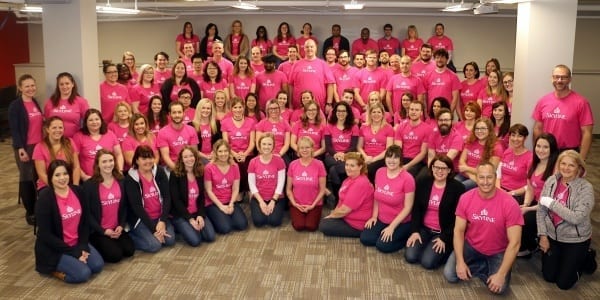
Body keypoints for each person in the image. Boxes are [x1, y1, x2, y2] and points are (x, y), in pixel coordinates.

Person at [443, 162, 523, 294]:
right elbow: (458, 231)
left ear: (495, 177)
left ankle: (486, 267)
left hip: (498, 251)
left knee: (500, 289)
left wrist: (501, 274)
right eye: (481, 177)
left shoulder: (510, 203)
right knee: (450, 275)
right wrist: (460, 262)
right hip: (471, 245)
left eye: (489, 177)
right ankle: (483, 267)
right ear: (476, 177)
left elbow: (515, 243)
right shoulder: (466, 198)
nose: (485, 182)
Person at [35, 159, 104, 283]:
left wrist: (82, 245)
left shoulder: (78, 191)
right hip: (55, 248)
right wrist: (73, 252)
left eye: (65, 174)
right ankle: (54, 271)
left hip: (77, 243)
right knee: (83, 274)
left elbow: (85, 222)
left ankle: (75, 260)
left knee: (97, 266)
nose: (62, 178)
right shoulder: (45, 200)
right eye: (57, 175)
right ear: (50, 177)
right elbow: (46, 235)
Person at [537, 150, 594, 290]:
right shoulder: (551, 181)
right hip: (553, 236)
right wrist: (543, 235)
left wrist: (552, 203)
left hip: (575, 240)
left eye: (571, 165)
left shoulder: (585, 188)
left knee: (563, 284)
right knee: (549, 277)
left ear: (579, 168)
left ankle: (587, 256)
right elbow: (541, 210)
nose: (566, 168)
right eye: (563, 163)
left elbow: (577, 217)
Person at [405, 155, 465, 269]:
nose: (439, 171)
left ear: (449, 170)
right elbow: (416, 209)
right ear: (431, 168)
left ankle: (448, 249)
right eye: (436, 167)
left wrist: (445, 238)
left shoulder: (458, 188)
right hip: (424, 228)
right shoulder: (423, 182)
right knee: (410, 256)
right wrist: (415, 231)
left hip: (443, 232)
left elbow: (458, 219)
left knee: (427, 262)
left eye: (443, 168)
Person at [532, 64, 594, 160]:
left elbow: (587, 133)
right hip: (547, 151)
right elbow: (537, 128)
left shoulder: (581, 102)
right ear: (552, 78)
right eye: (556, 77)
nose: (559, 80)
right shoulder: (543, 101)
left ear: (569, 79)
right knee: (546, 175)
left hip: (569, 153)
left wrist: (581, 159)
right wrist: (538, 151)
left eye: (564, 77)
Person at [84, 149, 135, 263]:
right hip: (99, 231)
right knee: (115, 256)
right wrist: (103, 231)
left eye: (111, 160)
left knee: (129, 251)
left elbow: (125, 206)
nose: (108, 164)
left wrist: (121, 225)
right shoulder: (90, 185)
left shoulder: (121, 180)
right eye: (104, 161)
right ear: (98, 164)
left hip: (117, 228)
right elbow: (87, 213)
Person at [360, 145, 414, 252]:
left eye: (395, 157)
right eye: (389, 157)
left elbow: (408, 208)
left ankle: (406, 237)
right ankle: (383, 233)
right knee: (366, 239)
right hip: (382, 219)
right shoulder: (380, 172)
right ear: (385, 159)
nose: (392, 160)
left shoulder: (408, 178)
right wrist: (374, 217)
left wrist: (392, 227)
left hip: (400, 222)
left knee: (383, 246)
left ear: (400, 160)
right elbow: (376, 196)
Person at [125, 145, 175, 252]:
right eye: (144, 158)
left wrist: (162, 221)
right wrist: (154, 229)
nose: (148, 161)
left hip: (159, 216)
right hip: (141, 219)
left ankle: (155, 231)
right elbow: (137, 207)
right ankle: (130, 237)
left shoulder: (160, 171)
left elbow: (167, 197)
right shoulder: (131, 178)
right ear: (137, 160)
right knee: (154, 245)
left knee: (170, 241)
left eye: (150, 157)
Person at [8, 74, 43, 225]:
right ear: (20, 88)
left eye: (32, 85)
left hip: (39, 145)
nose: (30, 88)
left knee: (37, 177)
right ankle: (31, 212)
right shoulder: (15, 106)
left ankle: (39, 207)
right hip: (25, 147)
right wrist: (20, 148)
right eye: (27, 86)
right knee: (27, 179)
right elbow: (15, 130)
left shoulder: (35, 102)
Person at [497, 124, 534, 256]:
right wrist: (498, 189)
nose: (515, 139)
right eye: (513, 135)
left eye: (519, 135)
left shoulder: (530, 157)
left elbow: (529, 185)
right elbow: (498, 174)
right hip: (500, 189)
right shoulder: (507, 151)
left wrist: (510, 193)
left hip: (517, 193)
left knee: (502, 209)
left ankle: (509, 243)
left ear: (525, 138)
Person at [170, 146, 216, 247]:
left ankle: (192, 226)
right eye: (185, 157)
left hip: (196, 212)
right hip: (181, 214)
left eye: (191, 156)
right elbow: (176, 200)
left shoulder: (199, 172)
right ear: (181, 159)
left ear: (195, 157)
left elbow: (201, 197)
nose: (189, 159)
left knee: (210, 237)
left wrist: (200, 215)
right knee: (195, 241)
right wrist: (190, 219)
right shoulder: (175, 174)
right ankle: (178, 227)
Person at [319, 152, 374, 237]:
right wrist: (333, 214)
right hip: (347, 217)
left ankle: (360, 233)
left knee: (324, 225)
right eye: (347, 165)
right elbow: (341, 201)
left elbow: (345, 210)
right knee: (326, 221)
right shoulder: (349, 179)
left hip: (357, 224)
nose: (348, 168)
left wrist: (332, 215)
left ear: (360, 167)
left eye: (352, 166)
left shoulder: (360, 183)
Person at [522, 134, 559, 257]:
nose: (540, 150)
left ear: (552, 149)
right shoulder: (533, 163)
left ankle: (530, 246)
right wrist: (526, 204)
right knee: (513, 208)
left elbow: (550, 201)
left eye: (545, 147)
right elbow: (530, 189)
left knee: (525, 219)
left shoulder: (555, 170)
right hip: (535, 202)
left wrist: (527, 209)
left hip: (549, 208)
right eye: (538, 146)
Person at [204, 139, 248, 234]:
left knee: (242, 225)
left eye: (225, 151)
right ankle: (213, 216)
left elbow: (235, 188)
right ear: (215, 152)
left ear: (229, 152)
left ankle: (224, 216)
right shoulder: (209, 168)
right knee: (225, 228)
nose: (223, 154)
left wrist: (231, 203)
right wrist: (221, 207)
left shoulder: (234, 166)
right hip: (214, 203)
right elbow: (208, 190)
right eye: (220, 151)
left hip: (229, 200)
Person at [286, 137, 326, 231]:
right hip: (297, 203)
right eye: (302, 148)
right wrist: (294, 203)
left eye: (307, 147)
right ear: (298, 150)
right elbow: (288, 189)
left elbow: (322, 190)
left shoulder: (319, 164)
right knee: (299, 226)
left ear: (312, 148)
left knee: (311, 227)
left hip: (314, 203)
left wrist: (313, 205)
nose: (304, 150)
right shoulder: (293, 164)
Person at [73, 109, 124, 182]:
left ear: (101, 121)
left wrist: (119, 171)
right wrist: (83, 176)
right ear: (85, 122)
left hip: (110, 177)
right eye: (90, 120)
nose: (94, 122)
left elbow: (119, 154)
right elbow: (74, 161)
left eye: (97, 119)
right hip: (89, 179)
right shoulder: (78, 136)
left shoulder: (110, 134)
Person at [248, 134, 287, 227]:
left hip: (277, 198)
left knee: (274, 222)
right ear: (259, 146)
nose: (266, 147)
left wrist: (273, 201)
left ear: (273, 146)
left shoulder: (279, 161)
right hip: (258, 197)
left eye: (269, 144)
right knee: (259, 222)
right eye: (264, 144)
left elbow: (281, 183)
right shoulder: (253, 162)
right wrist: (261, 202)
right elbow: (252, 184)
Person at [324, 101, 359, 204]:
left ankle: (338, 199)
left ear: (348, 113)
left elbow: (353, 146)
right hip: (331, 156)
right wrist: (336, 154)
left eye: (344, 111)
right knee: (340, 167)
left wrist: (344, 154)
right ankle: (344, 197)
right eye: (338, 111)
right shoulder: (329, 126)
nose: (341, 113)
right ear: (335, 112)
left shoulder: (354, 127)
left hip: (348, 156)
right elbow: (328, 146)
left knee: (334, 171)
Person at [33, 117, 81, 190]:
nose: (57, 130)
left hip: (68, 182)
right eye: (54, 128)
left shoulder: (70, 142)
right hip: (49, 185)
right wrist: (59, 188)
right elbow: (41, 174)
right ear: (47, 129)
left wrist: (75, 187)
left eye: (60, 127)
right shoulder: (39, 147)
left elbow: (76, 167)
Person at [221, 98, 256, 198]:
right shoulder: (225, 122)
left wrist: (244, 154)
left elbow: (252, 143)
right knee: (235, 167)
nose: (238, 109)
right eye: (235, 107)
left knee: (247, 166)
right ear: (231, 109)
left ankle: (249, 189)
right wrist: (235, 154)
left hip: (247, 154)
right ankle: (239, 191)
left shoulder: (251, 121)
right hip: (232, 154)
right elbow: (225, 143)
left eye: (240, 107)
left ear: (244, 108)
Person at [288, 39, 335, 111]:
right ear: (304, 48)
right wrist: (290, 104)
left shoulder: (323, 64)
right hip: (299, 106)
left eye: (311, 47)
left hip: (319, 105)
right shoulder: (296, 64)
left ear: (316, 48)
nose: (309, 49)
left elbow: (330, 84)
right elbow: (291, 85)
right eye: (307, 47)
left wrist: (329, 103)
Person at [457, 117, 502, 190]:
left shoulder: (496, 147)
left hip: (482, 178)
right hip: (466, 174)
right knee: (450, 185)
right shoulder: (471, 140)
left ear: (489, 130)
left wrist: (467, 168)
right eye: (477, 129)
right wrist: (470, 174)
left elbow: (490, 171)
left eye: (483, 128)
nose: (479, 131)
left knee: (459, 188)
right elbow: (461, 160)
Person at [44, 72, 90, 138]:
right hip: (55, 141)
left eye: (67, 83)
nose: (64, 86)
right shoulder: (50, 102)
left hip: (74, 140)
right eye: (61, 84)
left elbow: (88, 121)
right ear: (58, 86)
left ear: (72, 84)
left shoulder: (81, 102)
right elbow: (47, 123)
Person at [357, 102, 394, 182]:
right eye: (374, 112)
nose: (376, 114)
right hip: (365, 157)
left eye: (378, 112)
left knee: (370, 169)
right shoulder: (363, 127)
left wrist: (373, 159)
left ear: (383, 114)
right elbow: (359, 147)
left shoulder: (389, 128)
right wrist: (366, 157)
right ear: (370, 114)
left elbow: (388, 149)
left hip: (381, 158)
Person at [157, 101, 199, 171]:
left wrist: (190, 169)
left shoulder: (191, 130)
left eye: (179, 112)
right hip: (171, 167)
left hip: (189, 165)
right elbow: (165, 157)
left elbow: (194, 153)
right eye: (174, 112)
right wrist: (177, 170)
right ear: (169, 114)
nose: (177, 115)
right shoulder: (162, 132)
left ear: (184, 113)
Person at [394, 100, 430, 177]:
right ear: (408, 111)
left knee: (407, 175)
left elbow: (423, 153)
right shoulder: (401, 126)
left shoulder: (427, 129)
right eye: (412, 109)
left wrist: (407, 166)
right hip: (402, 158)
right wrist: (398, 163)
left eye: (417, 110)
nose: (414, 112)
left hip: (417, 161)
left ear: (421, 113)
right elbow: (398, 149)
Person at [422, 48, 460, 114]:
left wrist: (449, 114)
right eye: (437, 57)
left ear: (447, 59)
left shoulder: (453, 76)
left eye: (442, 57)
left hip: (446, 113)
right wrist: (425, 113)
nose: (439, 60)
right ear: (434, 59)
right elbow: (424, 97)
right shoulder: (427, 76)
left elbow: (455, 98)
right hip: (431, 113)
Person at [192, 98, 221, 164]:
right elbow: (192, 147)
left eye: (208, 108)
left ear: (211, 110)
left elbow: (220, 141)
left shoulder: (217, 124)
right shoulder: (191, 125)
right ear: (199, 109)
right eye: (203, 108)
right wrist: (205, 156)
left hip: (215, 156)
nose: (206, 110)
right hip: (198, 157)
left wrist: (214, 153)